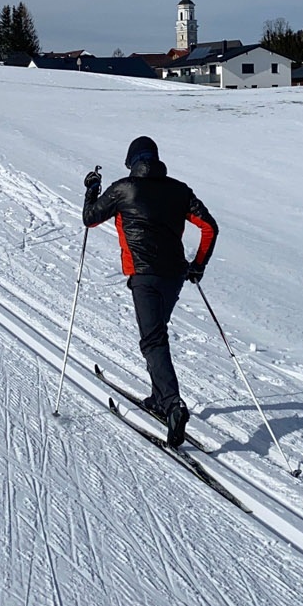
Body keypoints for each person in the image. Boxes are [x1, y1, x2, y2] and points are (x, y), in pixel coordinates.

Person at [83, 135, 217, 446]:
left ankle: (172, 404)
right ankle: (159, 398)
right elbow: (210, 227)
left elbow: (89, 219)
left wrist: (91, 191)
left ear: (132, 163)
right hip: (173, 276)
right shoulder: (180, 190)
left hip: (143, 275)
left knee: (153, 338)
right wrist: (197, 266)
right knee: (156, 334)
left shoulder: (123, 188)